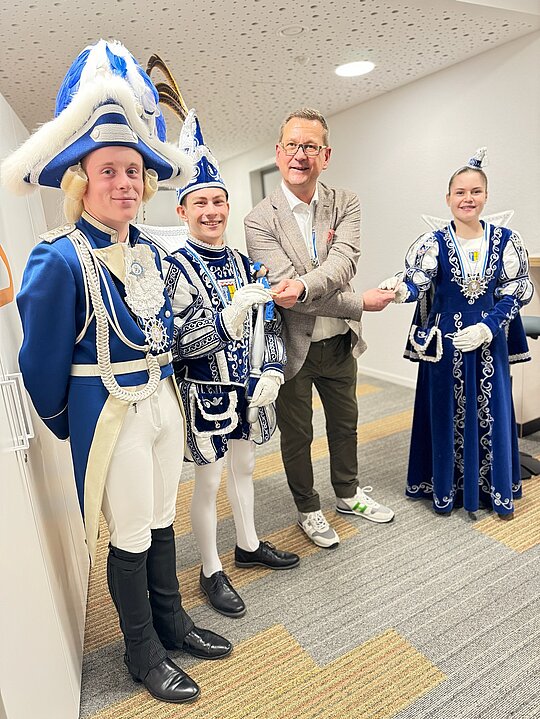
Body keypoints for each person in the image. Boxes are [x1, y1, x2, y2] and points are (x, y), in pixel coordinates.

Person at [1, 41, 232, 705]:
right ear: (82, 179)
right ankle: (142, 650)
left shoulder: (149, 251)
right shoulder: (58, 258)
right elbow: (40, 366)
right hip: (109, 414)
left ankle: (173, 621)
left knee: (162, 519)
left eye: (133, 170)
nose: (126, 182)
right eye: (110, 171)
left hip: (160, 402)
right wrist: (78, 424)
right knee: (129, 535)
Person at [160, 109, 300, 619]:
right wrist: (225, 317)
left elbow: (273, 326)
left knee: (246, 468)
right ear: (182, 210)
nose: (213, 211)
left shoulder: (245, 262)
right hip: (205, 395)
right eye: (201, 203)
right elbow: (171, 345)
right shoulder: (172, 268)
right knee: (210, 480)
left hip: (250, 392)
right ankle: (211, 569)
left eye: (219, 201)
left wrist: (273, 369)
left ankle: (248, 543)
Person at [245, 108, 395, 549]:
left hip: (339, 342)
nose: (300, 155)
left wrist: (305, 286)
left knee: (346, 422)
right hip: (293, 346)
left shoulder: (345, 202)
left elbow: (343, 261)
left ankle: (348, 495)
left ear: (325, 155)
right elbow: (281, 290)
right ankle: (308, 508)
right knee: (298, 434)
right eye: (292, 145)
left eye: (310, 146)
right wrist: (360, 301)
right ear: (278, 151)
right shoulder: (259, 218)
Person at [378, 148, 533, 519]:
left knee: (491, 412)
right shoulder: (433, 241)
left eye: (475, 191)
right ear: (448, 199)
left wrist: (487, 326)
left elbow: (516, 290)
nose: (468, 199)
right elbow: (419, 282)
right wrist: (400, 290)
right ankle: (447, 487)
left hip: (488, 341)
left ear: (486, 196)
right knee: (445, 410)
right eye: (460, 192)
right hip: (445, 346)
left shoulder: (507, 240)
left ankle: (491, 489)